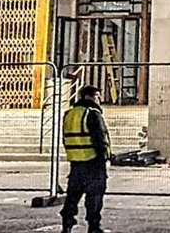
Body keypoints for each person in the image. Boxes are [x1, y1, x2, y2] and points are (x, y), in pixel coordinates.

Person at [61, 84, 109, 233]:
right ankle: (94, 226)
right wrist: (105, 158)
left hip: (76, 162)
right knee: (94, 197)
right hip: (93, 161)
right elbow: (99, 138)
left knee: (73, 196)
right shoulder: (93, 114)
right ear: (91, 97)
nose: (99, 100)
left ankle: (67, 224)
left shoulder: (69, 114)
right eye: (98, 96)